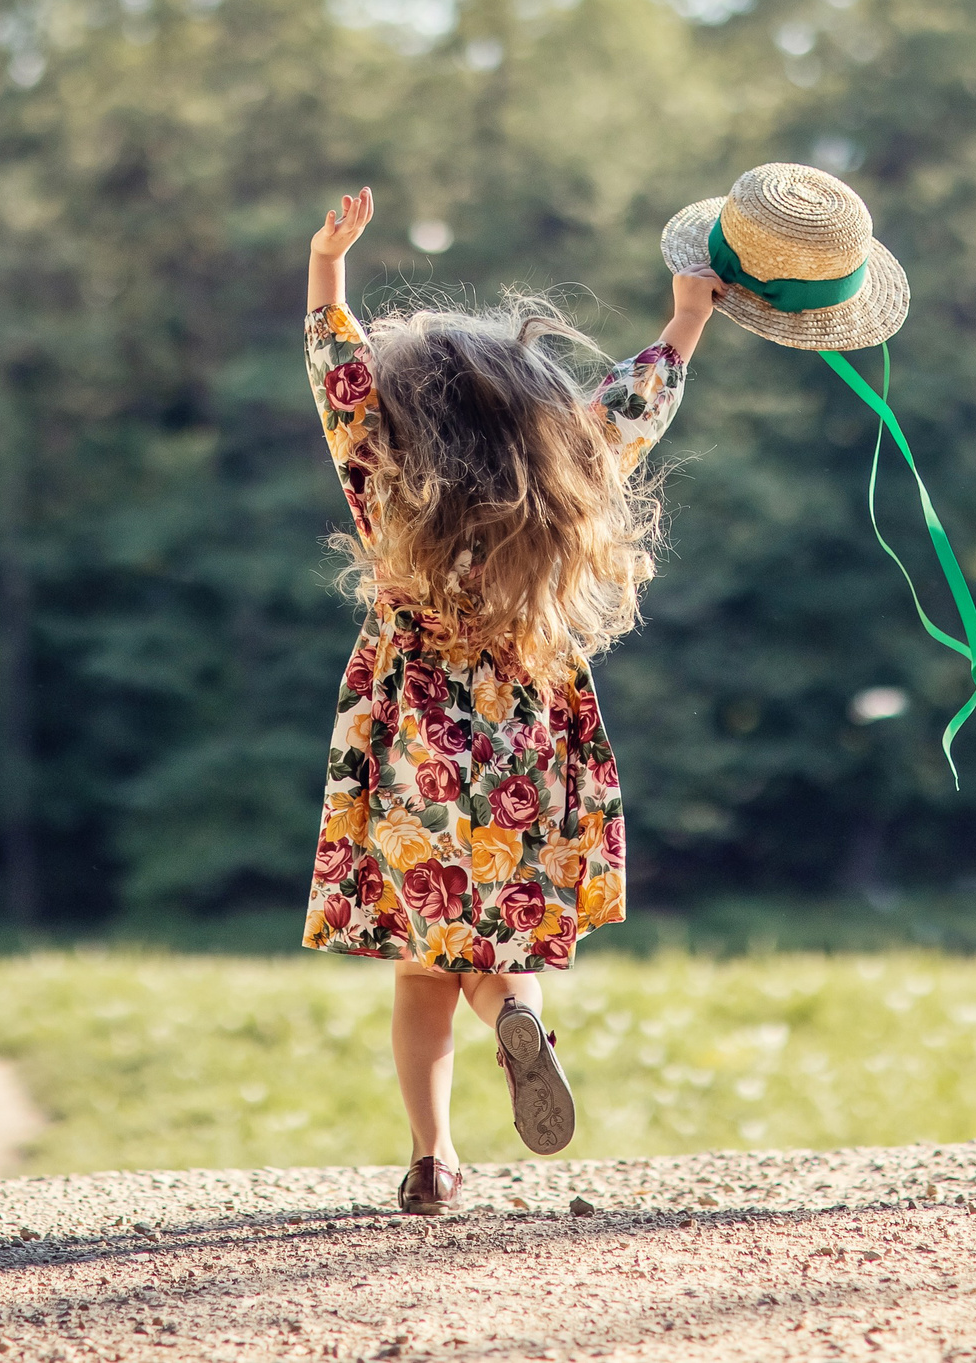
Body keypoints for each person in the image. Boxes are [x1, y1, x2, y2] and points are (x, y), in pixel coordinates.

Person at [300, 185, 723, 1214]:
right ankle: (513, 1020)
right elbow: (635, 402)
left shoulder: (386, 477)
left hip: (413, 740)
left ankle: (433, 1156)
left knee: (421, 962)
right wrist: (687, 315)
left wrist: (328, 267)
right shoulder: (562, 467)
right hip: (526, 736)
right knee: (504, 935)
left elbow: (336, 373)